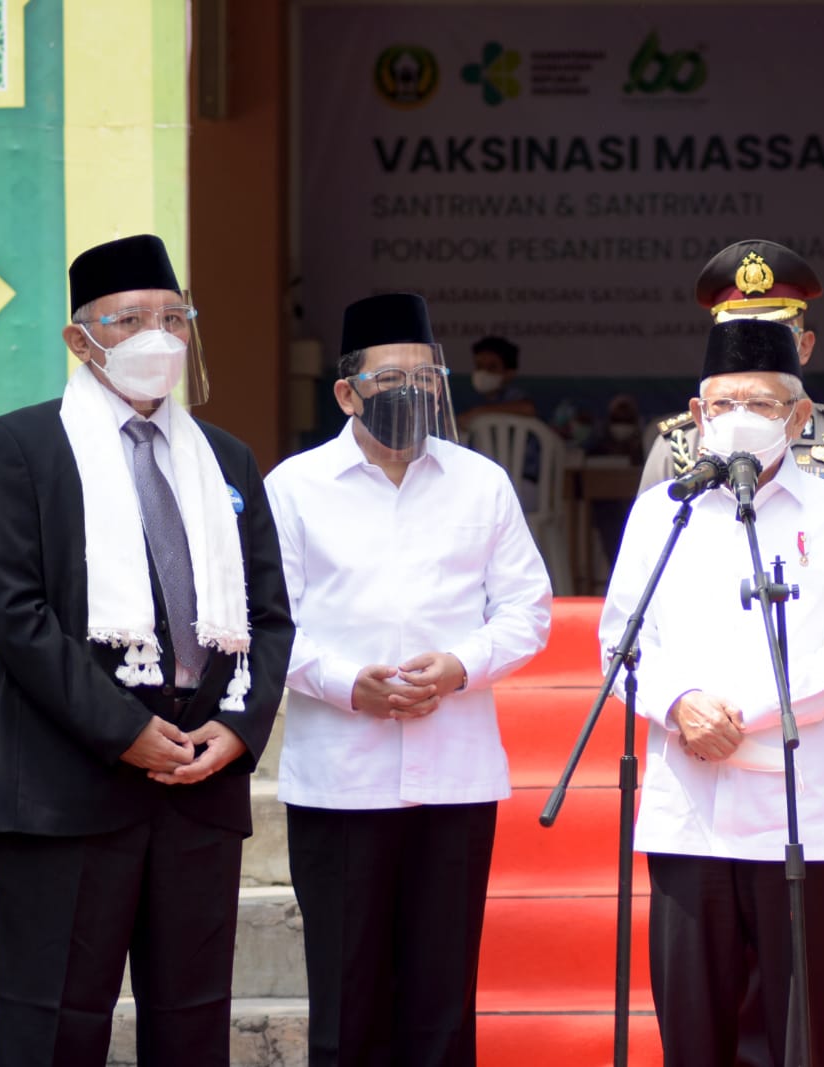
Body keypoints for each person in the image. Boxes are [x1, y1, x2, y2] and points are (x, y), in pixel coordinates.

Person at [0, 234, 294, 1066]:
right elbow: (14, 611)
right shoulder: (19, 447)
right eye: (133, 319)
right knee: (53, 1024)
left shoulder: (227, 458)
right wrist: (121, 729)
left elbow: (272, 617)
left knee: (192, 1024)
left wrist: (239, 728)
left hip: (197, 782)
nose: (160, 337)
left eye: (174, 318)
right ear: (82, 339)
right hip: (66, 783)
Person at [264, 292, 553, 1066]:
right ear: (347, 391)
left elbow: (528, 610)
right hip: (339, 778)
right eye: (393, 378)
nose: (412, 394)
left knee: (441, 999)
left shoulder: (479, 482)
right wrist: (344, 683)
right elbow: (266, 622)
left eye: (427, 379)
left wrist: (462, 665)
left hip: (454, 775)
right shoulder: (293, 487)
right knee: (347, 994)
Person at [600, 317, 824, 1066]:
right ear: (696, 415)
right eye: (722, 402)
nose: (738, 418)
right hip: (689, 810)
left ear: (797, 416)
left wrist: (746, 715)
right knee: (694, 1026)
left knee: (798, 1029)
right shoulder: (663, 511)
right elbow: (620, 638)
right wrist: (679, 705)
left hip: (802, 809)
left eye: (760, 402)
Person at [639, 239, 824, 497]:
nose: (754, 350)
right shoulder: (679, 448)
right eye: (738, 334)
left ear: (805, 346)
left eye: (775, 336)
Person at [462, 334, 536, 424]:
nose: (484, 372)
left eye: (492, 367)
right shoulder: (471, 398)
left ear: (509, 373)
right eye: (479, 366)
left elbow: (528, 409)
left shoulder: (513, 395)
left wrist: (479, 412)